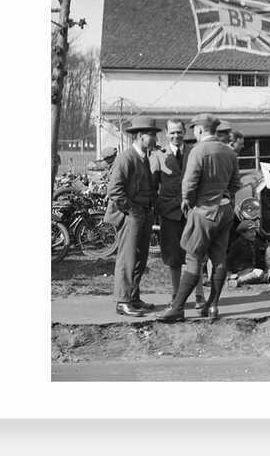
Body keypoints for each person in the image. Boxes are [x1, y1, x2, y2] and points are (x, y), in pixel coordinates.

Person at [159, 113, 241, 322]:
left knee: (193, 259)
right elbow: (235, 185)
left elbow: (188, 186)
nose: (194, 132)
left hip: (204, 211)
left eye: (195, 129)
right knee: (219, 258)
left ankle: (177, 308)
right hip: (225, 211)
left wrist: (191, 203)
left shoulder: (198, 151)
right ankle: (212, 306)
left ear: (200, 130)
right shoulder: (229, 152)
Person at [103, 116, 161, 317]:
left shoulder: (144, 158)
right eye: (151, 135)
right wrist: (131, 209)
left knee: (140, 259)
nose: (154, 139)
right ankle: (122, 301)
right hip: (131, 215)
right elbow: (115, 190)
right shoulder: (125, 159)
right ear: (139, 136)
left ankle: (133, 298)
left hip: (144, 213)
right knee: (127, 259)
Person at [150, 119, 205, 309]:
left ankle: (199, 296)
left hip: (192, 212)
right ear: (166, 133)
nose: (176, 136)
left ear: (184, 133)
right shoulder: (158, 154)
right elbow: (153, 185)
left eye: (179, 132)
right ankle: (175, 295)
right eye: (172, 133)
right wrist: (159, 205)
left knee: (195, 254)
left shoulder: (195, 151)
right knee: (173, 257)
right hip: (169, 213)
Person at [224, 220, 268, 288]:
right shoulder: (236, 245)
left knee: (265, 276)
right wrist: (229, 274)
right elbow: (228, 261)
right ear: (243, 233)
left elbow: (257, 258)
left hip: (250, 269)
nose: (254, 234)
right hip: (240, 270)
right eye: (251, 232)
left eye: (254, 232)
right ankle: (237, 281)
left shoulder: (254, 243)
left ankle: (245, 279)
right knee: (260, 273)